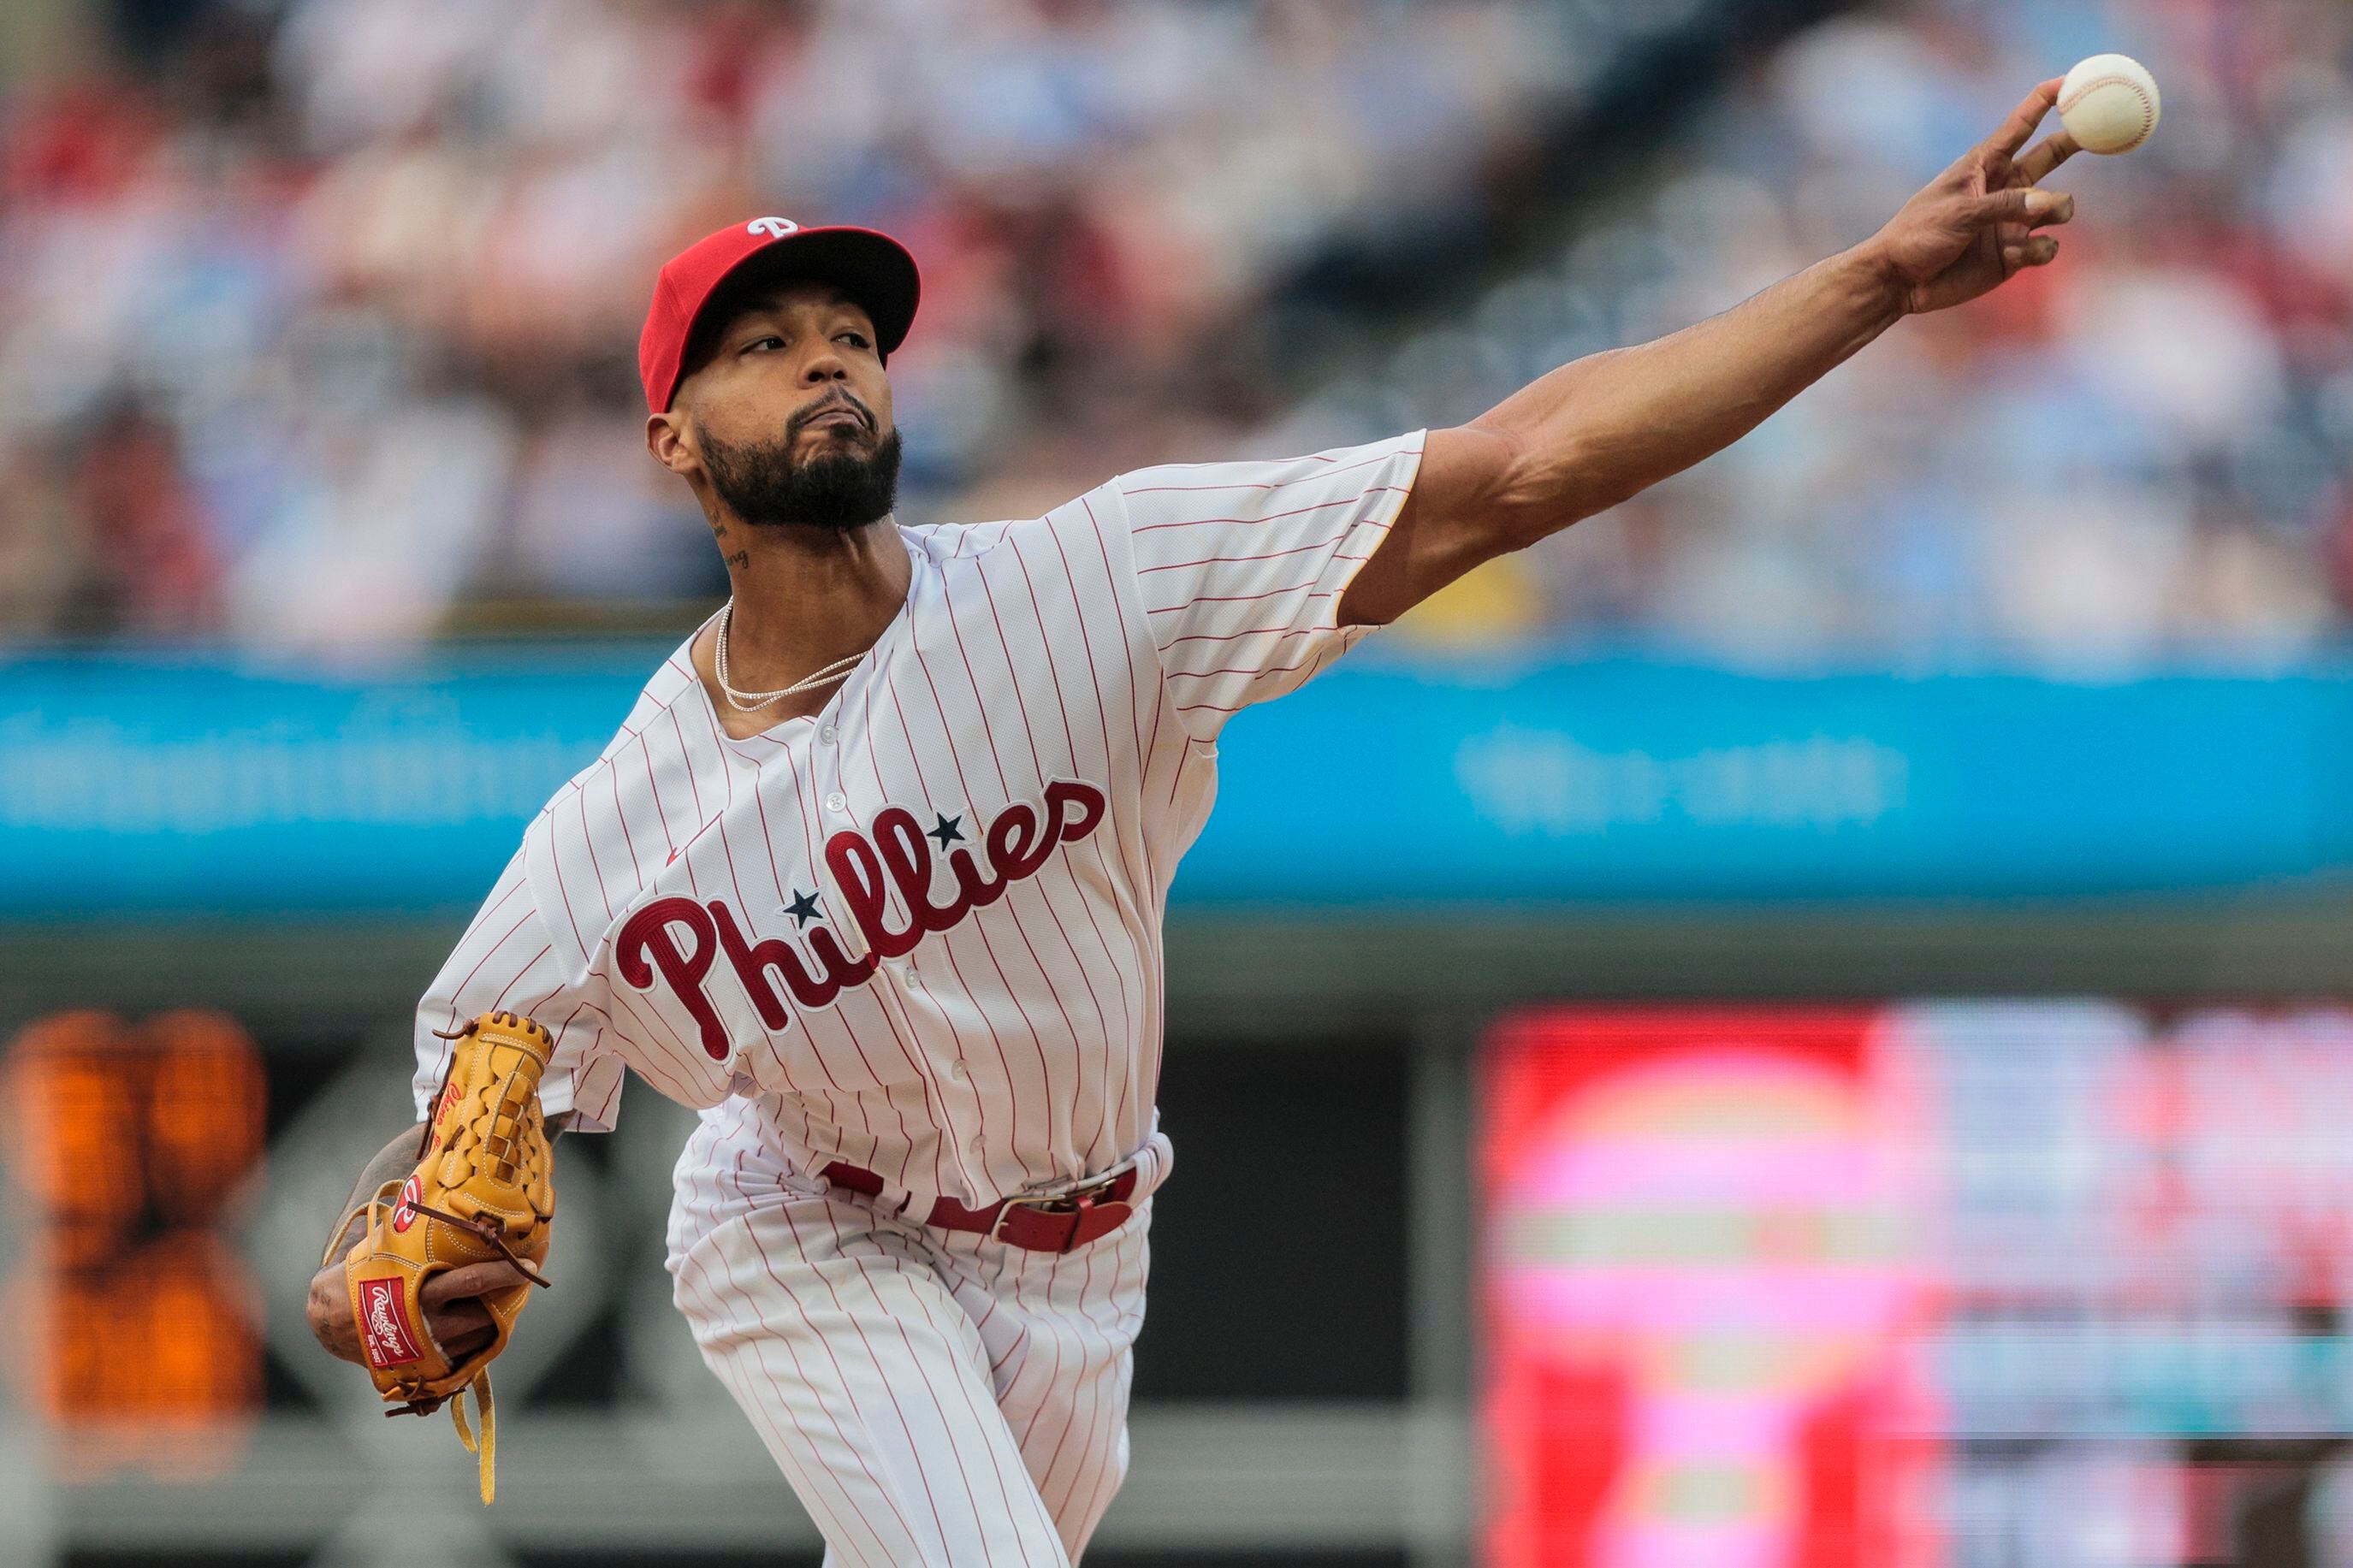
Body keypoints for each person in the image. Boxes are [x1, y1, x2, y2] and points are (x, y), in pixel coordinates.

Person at [309, 81, 2082, 1565]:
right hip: (808, 1229)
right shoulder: (607, 837)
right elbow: (450, 1136)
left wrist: (1865, 283)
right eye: (764, 346)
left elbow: (1523, 461)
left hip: (1088, 1253)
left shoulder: (1103, 585)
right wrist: (365, 1294)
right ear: (674, 438)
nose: (828, 361)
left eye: (851, 332)